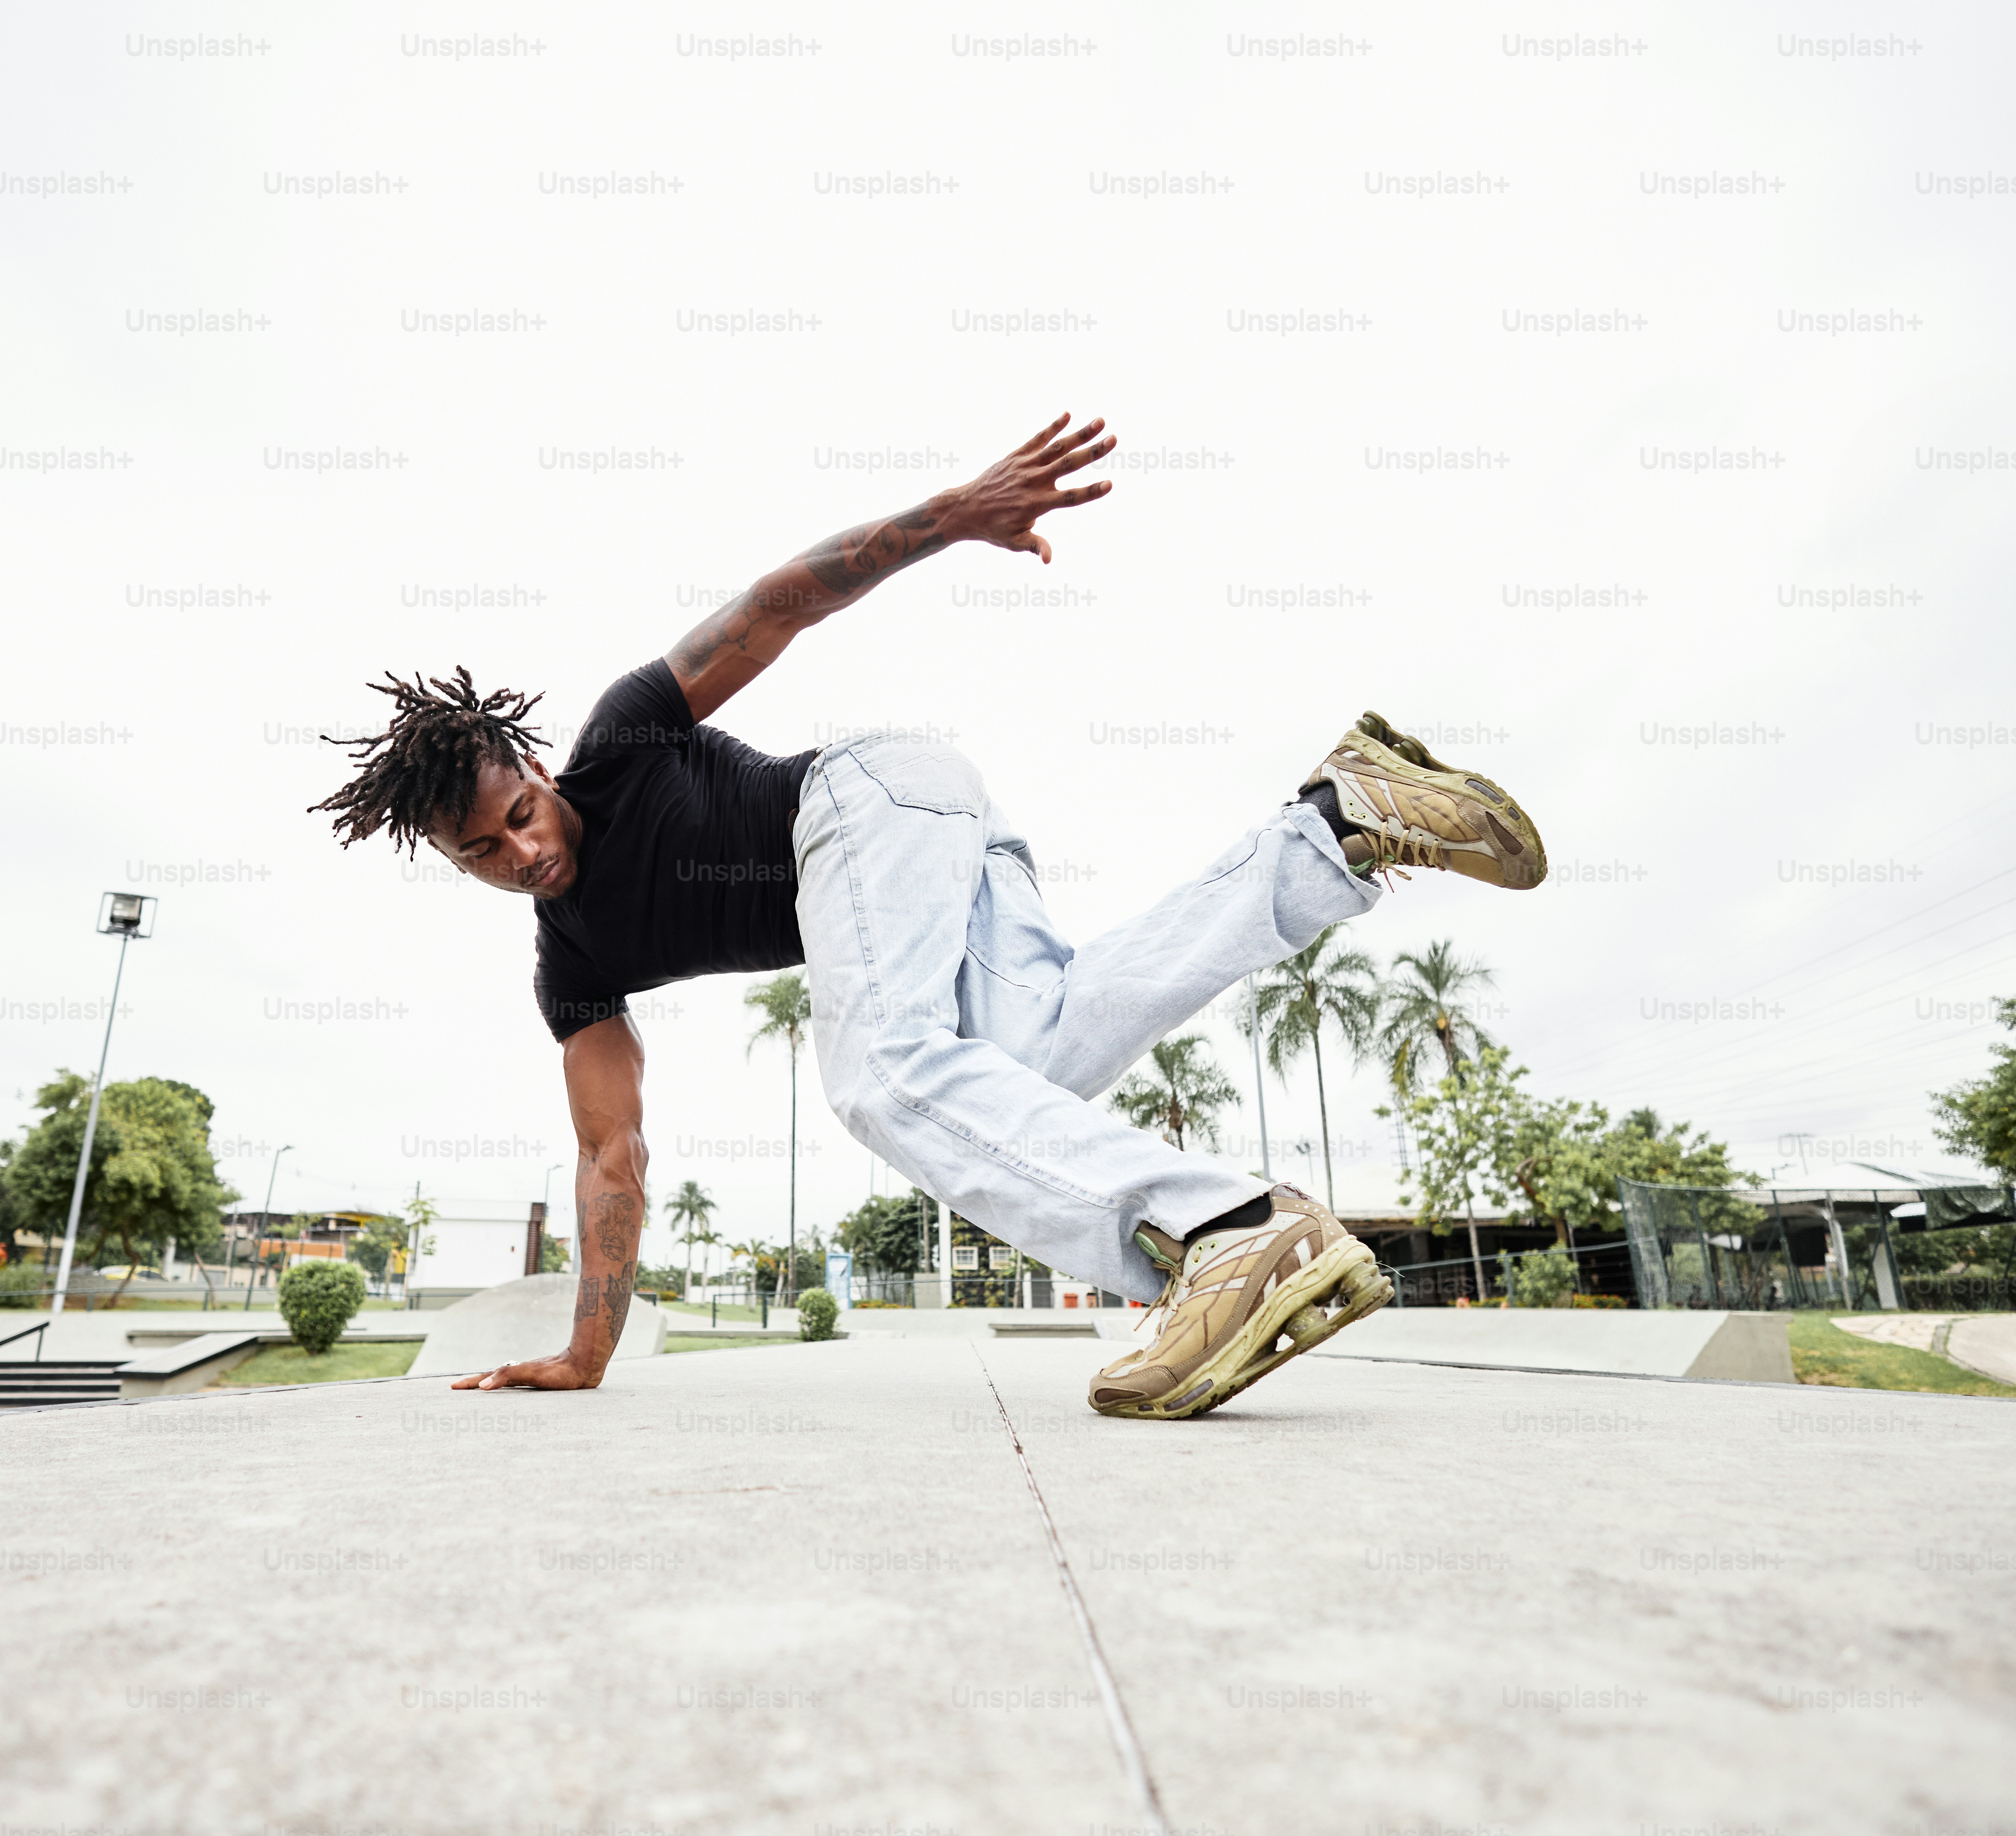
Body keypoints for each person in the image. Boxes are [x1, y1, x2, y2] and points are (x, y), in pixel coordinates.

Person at [313, 414, 1547, 1419]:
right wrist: (587, 1351)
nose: (524, 851)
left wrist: (952, 518)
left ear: (533, 767)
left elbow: (772, 608)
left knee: (881, 1075)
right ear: (450, 859)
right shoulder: (572, 968)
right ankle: (1337, 826)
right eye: (483, 851)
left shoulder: (620, 739)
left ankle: (1226, 1228)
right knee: (1028, 1064)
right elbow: (608, 1156)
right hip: (948, 844)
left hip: (865, 799)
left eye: (522, 812)